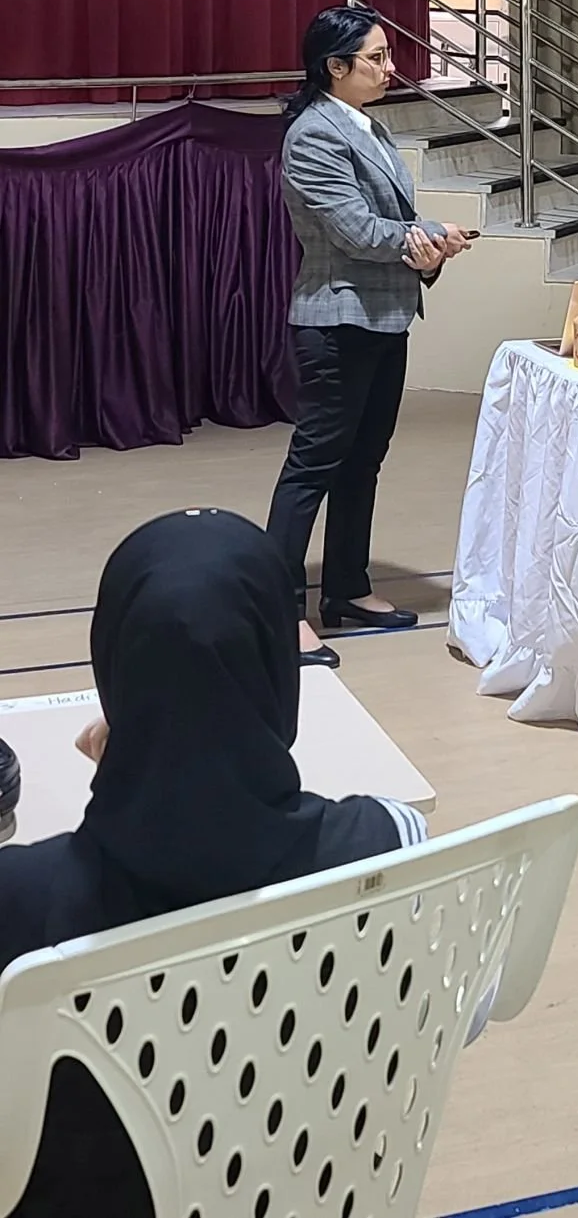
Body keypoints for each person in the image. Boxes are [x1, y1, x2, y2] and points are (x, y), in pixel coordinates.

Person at [0, 509, 433, 1218]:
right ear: (280, 667)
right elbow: (453, 1016)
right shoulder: (392, 843)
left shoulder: (18, 901)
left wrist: (143, 763)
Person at [266, 6, 470, 665]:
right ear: (335, 66)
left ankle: (347, 588)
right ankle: (278, 614)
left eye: (387, 55)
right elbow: (356, 231)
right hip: (336, 321)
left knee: (363, 460)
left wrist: (431, 246)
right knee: (313, 466)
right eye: (375, 57)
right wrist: (427, 237)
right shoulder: (313, 134)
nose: (390, 68)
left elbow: (391, 221)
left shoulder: (366, 124)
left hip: (382, 315)